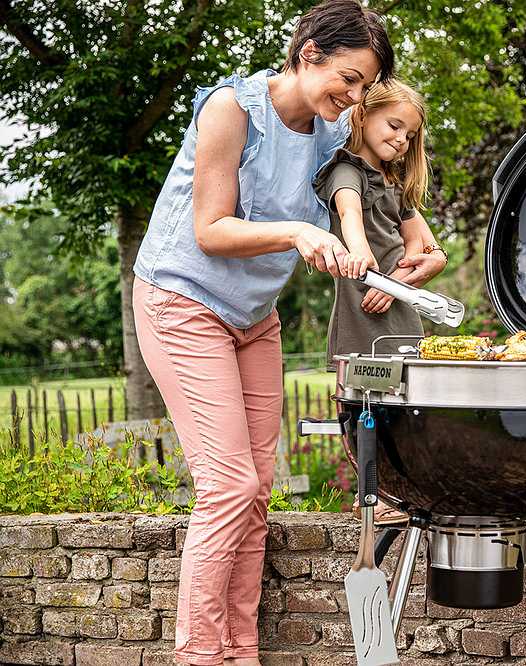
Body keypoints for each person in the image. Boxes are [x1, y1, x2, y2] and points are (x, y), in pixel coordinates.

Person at [130, 2, 430, 664]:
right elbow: (212, 229)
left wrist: (387, 256)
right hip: (182, 301)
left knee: (257, 489)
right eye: (348, 79)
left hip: (251, 317)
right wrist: (300, 232)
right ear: (308, 51)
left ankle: (241, 652)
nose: (354, 97)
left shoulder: (332, 130)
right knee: (228, 484)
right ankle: (201, 657)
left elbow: (358, 199)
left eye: (363, 86)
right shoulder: (233, 111)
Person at [314, 79, 447, 524]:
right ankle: (372, 494)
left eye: (409, 135)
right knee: (361, 403)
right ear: (362, 115)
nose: (401, 139)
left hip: (399, 308)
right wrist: (359, 252)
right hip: (361, 313)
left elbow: (423, 249)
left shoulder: (395, 182)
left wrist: (402, 275)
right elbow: (349, 212)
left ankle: (402, 488)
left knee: (404, 404)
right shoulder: (345, 170)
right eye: (393, 125)